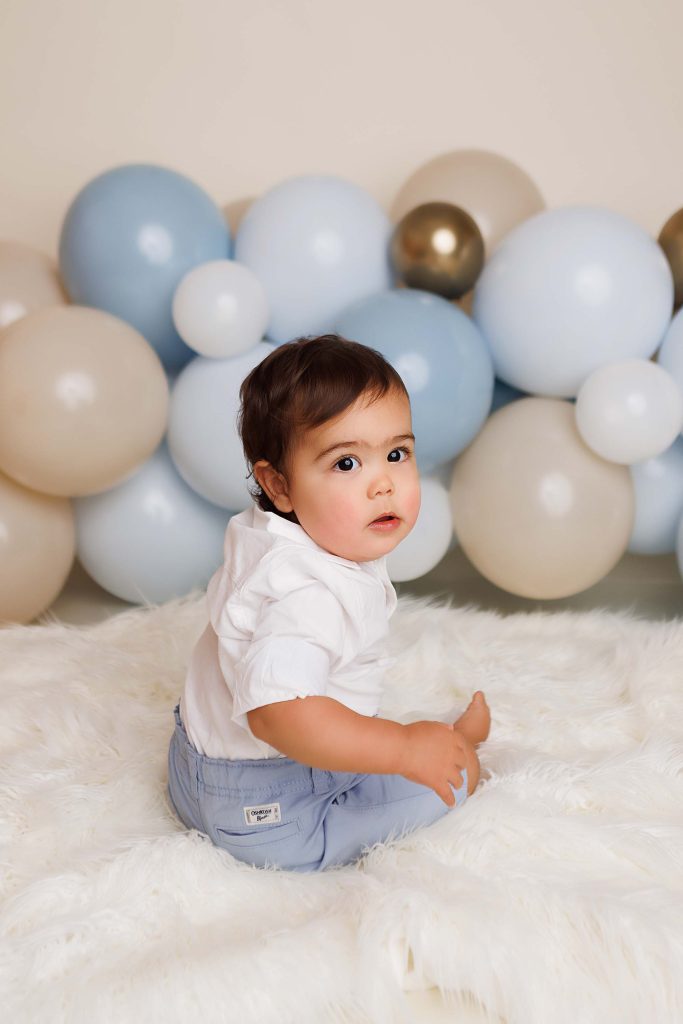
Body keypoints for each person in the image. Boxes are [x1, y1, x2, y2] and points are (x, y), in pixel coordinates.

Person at [167, 333, 491, 872]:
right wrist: (406, 750)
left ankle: (432, 744)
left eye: (396, 453)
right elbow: (279, 717)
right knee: (453, 782)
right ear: (280, 486)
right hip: (271, 814)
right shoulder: (308, 595)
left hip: (194, 767)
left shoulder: (269, 538)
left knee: (378, 743)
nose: (382, 484)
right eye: (347, 464)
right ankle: (450, 749)